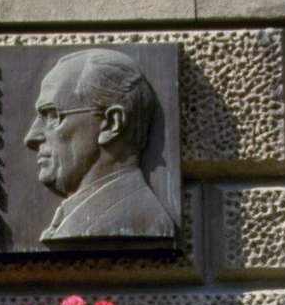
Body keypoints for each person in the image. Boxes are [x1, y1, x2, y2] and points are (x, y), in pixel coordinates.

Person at [24, 49, 176, 243]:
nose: (31, 137)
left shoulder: (140, 220)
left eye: (52, 115)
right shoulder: (81, 219)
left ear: (112, 124)